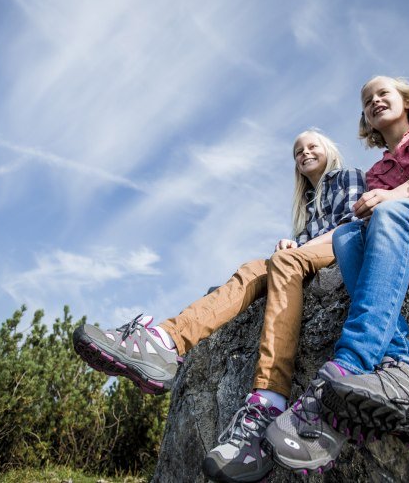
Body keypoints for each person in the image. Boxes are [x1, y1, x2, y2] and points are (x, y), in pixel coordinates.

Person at [73, 129, 366, 483]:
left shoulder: (345, 177)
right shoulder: (306, 205)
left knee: (282, 262)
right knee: (251, 268)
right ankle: (164, 342)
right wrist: (293, 243)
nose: (304, 153)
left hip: (341, 244)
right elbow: (302, 250)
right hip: (305, 257)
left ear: (329, 151)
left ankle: (269, 403)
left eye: (311, 146)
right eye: (297, 151)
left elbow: (350, 226)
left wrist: (298, 250)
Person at [265, 76, 409, 475]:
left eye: (382, 94)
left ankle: (348, 363)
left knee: (386, 213)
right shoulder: (376, 172)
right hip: (401, 216)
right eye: (366, 101)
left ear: (407, 101)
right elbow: (367, 223)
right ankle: (404, 367)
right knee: (349, 237)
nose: (374, 102)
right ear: (366, 121)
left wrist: (399, 195)